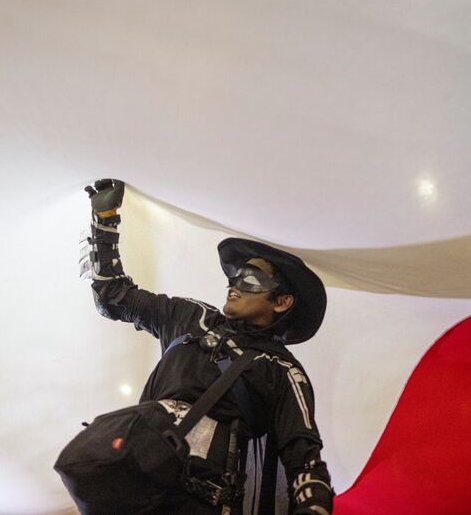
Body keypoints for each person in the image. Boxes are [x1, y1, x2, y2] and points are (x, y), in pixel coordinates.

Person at [81, 179, 333, 515]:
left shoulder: (281, 370)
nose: (234, 284)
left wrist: (314, 508)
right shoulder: (191, 317)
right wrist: (105, 221)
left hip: (199, 502)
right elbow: (112, 297)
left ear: (282, 301)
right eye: (235, 277)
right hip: (133, 486)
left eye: (251, 279)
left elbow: (305, 459)